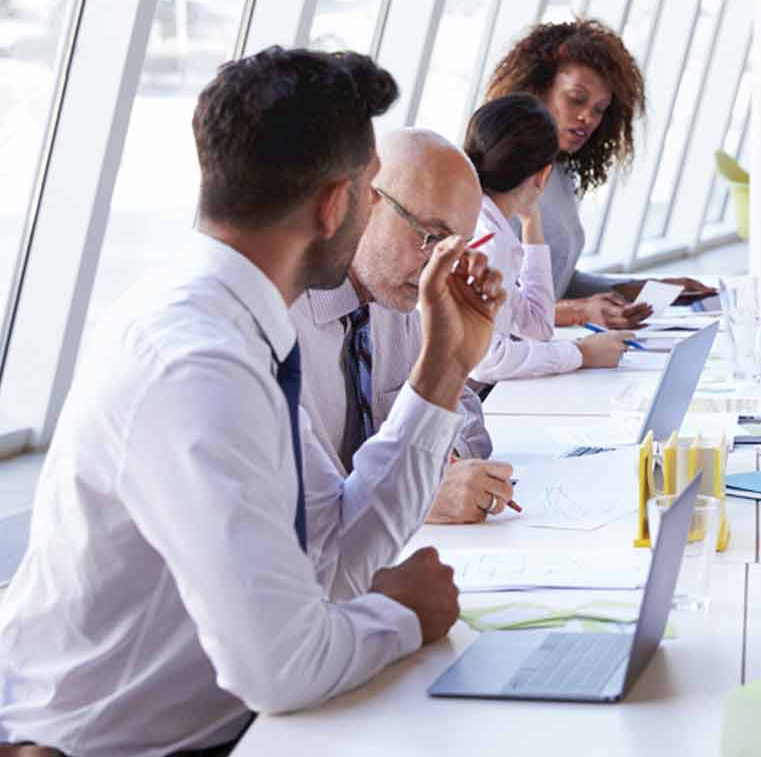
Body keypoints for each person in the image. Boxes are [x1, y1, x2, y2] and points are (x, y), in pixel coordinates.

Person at [0, 47, 505, 754]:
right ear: (335, 205)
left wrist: (443, 371)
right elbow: (282, 668)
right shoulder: (200, 367)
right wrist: (400, 615)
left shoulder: (231, 327)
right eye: (369, 190)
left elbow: (329, 559)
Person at [289, 127, 516, 526]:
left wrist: (445, 463)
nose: (436, 263)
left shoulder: (403, 301)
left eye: (454, 247)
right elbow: (292, 509)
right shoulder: (279, 327)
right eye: (431, 236)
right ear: (361, 202)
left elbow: (466, 415)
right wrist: (413, 492)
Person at [484, 19, 712, 329]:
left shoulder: (558, 172)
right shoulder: (498, 178)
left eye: (599, 109)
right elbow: (493, 307)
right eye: (576, 99)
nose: (587, 118)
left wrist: (640, 289)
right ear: (536, 91)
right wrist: (578, 311)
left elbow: (558, 279)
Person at [462, 94, 634, 385]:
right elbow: (488, 362)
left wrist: (532, 221)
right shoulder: (487, 241)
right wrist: (581, 353)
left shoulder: (488, 226)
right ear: (543, 176)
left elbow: (538, 325)